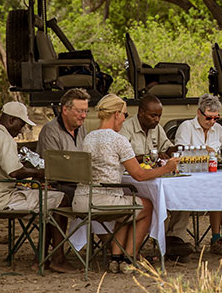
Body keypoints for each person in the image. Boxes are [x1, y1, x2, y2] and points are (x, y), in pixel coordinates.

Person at [74, 94, 179, 274]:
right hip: (101, 202)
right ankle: (129, 257)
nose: (125, 118)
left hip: (82, 199)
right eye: (124, 114)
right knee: (146, 206)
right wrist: (166, 168)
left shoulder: (89, 137)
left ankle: (116, 259)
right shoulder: (118, 140)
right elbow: (139, 174)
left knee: (130, 205)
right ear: (116, 114)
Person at [0, 102, 75, 273]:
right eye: (21, 124)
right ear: (12, 120)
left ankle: (40, 258)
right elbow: (15, 172)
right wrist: (37, 172)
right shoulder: (4, 139)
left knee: (47, 201)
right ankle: (58, 258)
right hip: (1, 199)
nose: (21, 130)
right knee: (60, 198)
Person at [119, 94, 194, 263]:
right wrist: (146, 157)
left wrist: (177, 149)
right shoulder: (126, 128)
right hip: (133, 179)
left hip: (155, 176)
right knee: (157, 199)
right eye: (153, 115)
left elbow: (167, 148)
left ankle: (175, 239)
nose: (157, 119)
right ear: (141, 113)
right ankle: (162, 240)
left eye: (159, 116)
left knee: (181, 193)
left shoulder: (157, 128)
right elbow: (123, 158)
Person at [174, 93, 222, 255]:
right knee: (219, 192)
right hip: (191, 180)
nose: (212, 122)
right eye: (208, 118)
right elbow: (179, 152)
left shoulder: (217, 128)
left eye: (216, 118)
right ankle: (216, 238)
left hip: (214, 176)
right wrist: (203, 151)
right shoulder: (186, 127)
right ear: (198, 113)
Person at [36, 88, 90, 202]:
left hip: (78, 182)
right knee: (88, 197)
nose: (84, 116)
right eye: (80, 111)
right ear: (65, 110)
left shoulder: (81, 128)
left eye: (86, 111)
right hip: (56, 185)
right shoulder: (50, 131)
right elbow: (53, 169)